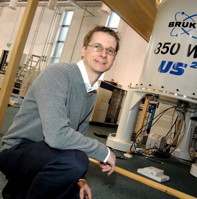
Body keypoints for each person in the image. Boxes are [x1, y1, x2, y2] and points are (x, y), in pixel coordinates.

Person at [0, 25, 120, 199]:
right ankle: (19, 184)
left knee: (77, 190)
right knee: (74, 162)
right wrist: (105, 152)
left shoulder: (91, 92)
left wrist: (80, 178)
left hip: (48, 153)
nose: (103, 54)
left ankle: (18, 191)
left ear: (114, 57)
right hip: (18, 150)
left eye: (110, 50)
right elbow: (57, 136)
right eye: (97, 47)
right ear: (83, 50)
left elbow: (79, 136)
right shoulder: (58, 73)